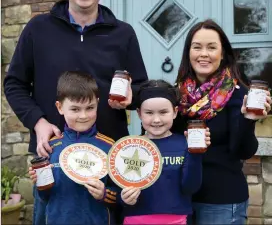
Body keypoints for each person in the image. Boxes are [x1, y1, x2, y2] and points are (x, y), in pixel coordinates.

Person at [4, 0, 147, 224]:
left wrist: (131, 98)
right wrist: (37, 122)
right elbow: (14, 83)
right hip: (53, 154)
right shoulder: (38, 28)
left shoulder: (123, 32)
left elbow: (140, 86)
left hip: (108, 153)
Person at [172, 19, 272, 225]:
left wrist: (249, 119)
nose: (203, 54)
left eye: (211, 47)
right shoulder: (177, 94)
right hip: (179, 199)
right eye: (197, 47)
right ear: (188, 52)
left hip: (221, 201)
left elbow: (243, 151)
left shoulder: (237, 94)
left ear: (223, 53)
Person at [29, 71, 120, 225]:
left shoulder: (111, 147)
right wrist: (39, 183)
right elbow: (42, 198)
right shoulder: (50, 147)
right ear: (60, 107)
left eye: (90, 107)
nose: (83, 115)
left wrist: (104, 194)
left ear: (98, 103)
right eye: (75, 109)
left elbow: (122, 196)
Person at [120, 80, 211, 225]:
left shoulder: (185, 145)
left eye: (163, 112)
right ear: (139, 113)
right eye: (149, 113)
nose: (156, 119)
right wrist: (123, 198)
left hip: (177, 219)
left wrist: (195, 154)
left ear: (175, 112)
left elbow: (191, 187)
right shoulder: (129, 147)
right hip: (136, 218)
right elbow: (118, 186)